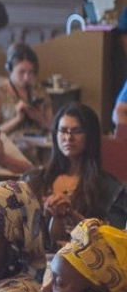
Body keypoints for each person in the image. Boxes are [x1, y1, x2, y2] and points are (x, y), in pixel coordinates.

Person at [23, 102, 127, 249]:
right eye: (63, 130)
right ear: (55, 134)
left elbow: (117, 241)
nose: (68, 137)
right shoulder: (32, 180)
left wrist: (72, 214)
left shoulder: (111, 188)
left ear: (90, 136)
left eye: (76, 131)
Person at [0, 42, 53, 163]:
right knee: (27, 150)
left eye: (31, 72)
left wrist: (38, 117)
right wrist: (17, 119)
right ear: (10, 69)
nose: (26, 77)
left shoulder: (39, 91)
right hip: (11, 144)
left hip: (40, 142)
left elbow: (52, 126)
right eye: (21, 72)